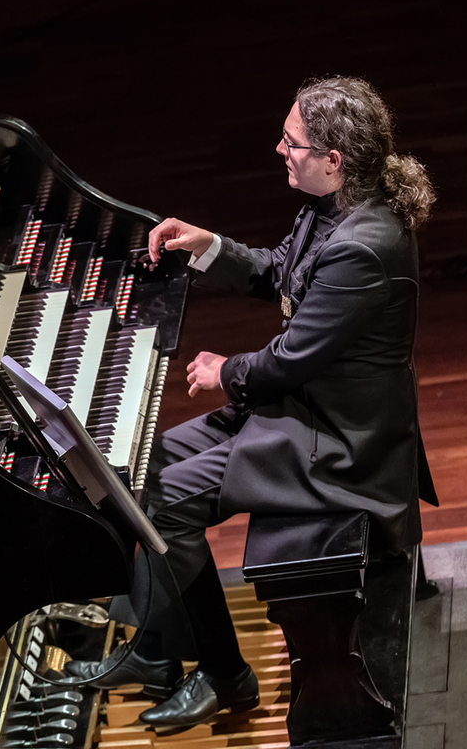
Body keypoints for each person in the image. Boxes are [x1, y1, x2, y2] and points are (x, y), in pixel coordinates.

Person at [65, 75, 438, 728]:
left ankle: (211, 669)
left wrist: (224, 370)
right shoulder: (336, 206)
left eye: (291, 142)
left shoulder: (363, 245)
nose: (279, 149)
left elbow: (293, 359)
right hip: (302, 410)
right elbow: (278, 272)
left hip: (340, 444)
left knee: (165, 503)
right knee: (142, 470)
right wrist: (206, 245)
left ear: (334, 158)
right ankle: (173, 655)